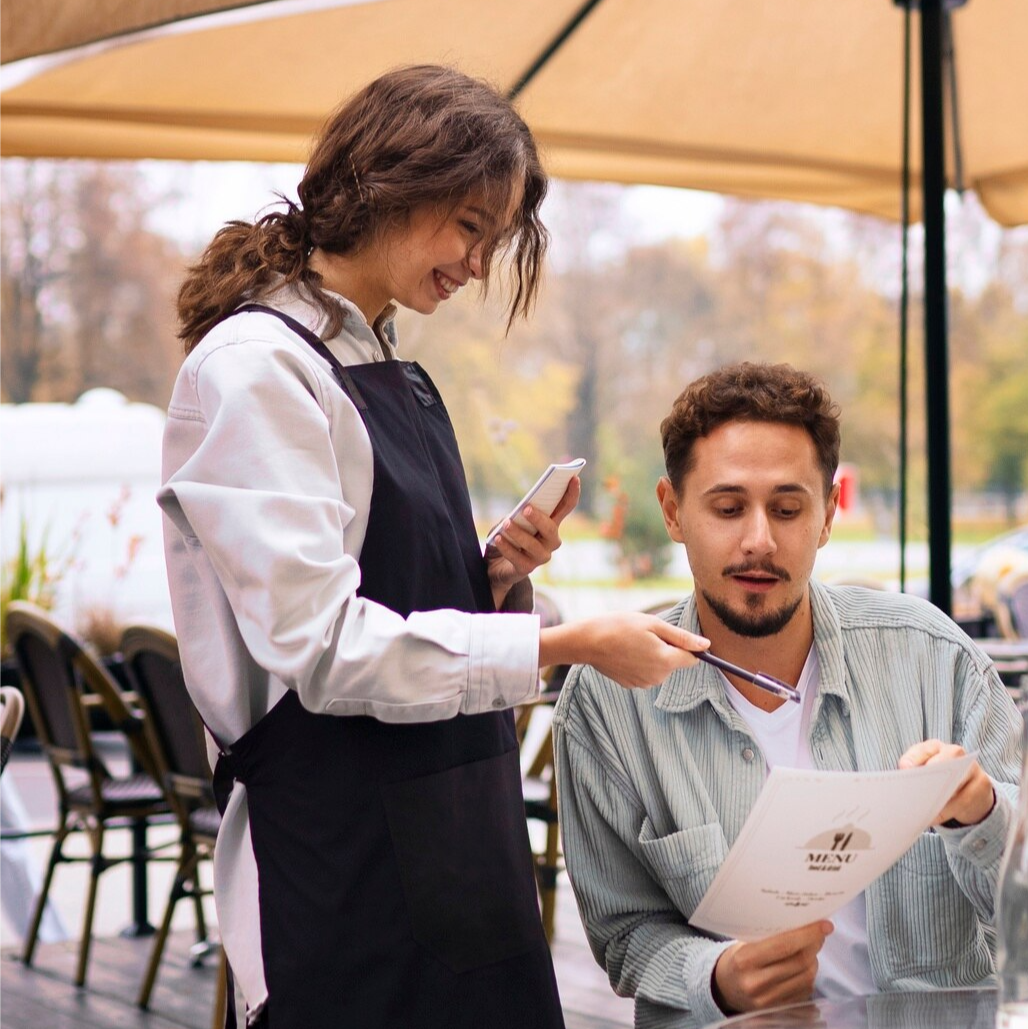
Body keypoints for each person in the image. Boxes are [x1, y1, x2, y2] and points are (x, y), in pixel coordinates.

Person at [159, 65, 708, 1029]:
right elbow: (322, 650)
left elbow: (394, 594)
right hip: (341, 867)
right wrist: (564, 645)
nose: (477, 265)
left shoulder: (385, 365)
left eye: (491, 240)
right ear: (389, 183)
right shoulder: (257, 372)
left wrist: (490, 571)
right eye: (469, 226)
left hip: (462, 849)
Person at [553, 363, 1028, 1029]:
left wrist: (983, 811)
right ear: (673, 511)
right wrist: (717, 978)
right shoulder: (607, 699)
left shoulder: (930, 656)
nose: (760, 538)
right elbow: (624, 932)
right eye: (728, 508)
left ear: (828, 515)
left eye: (788, 508)